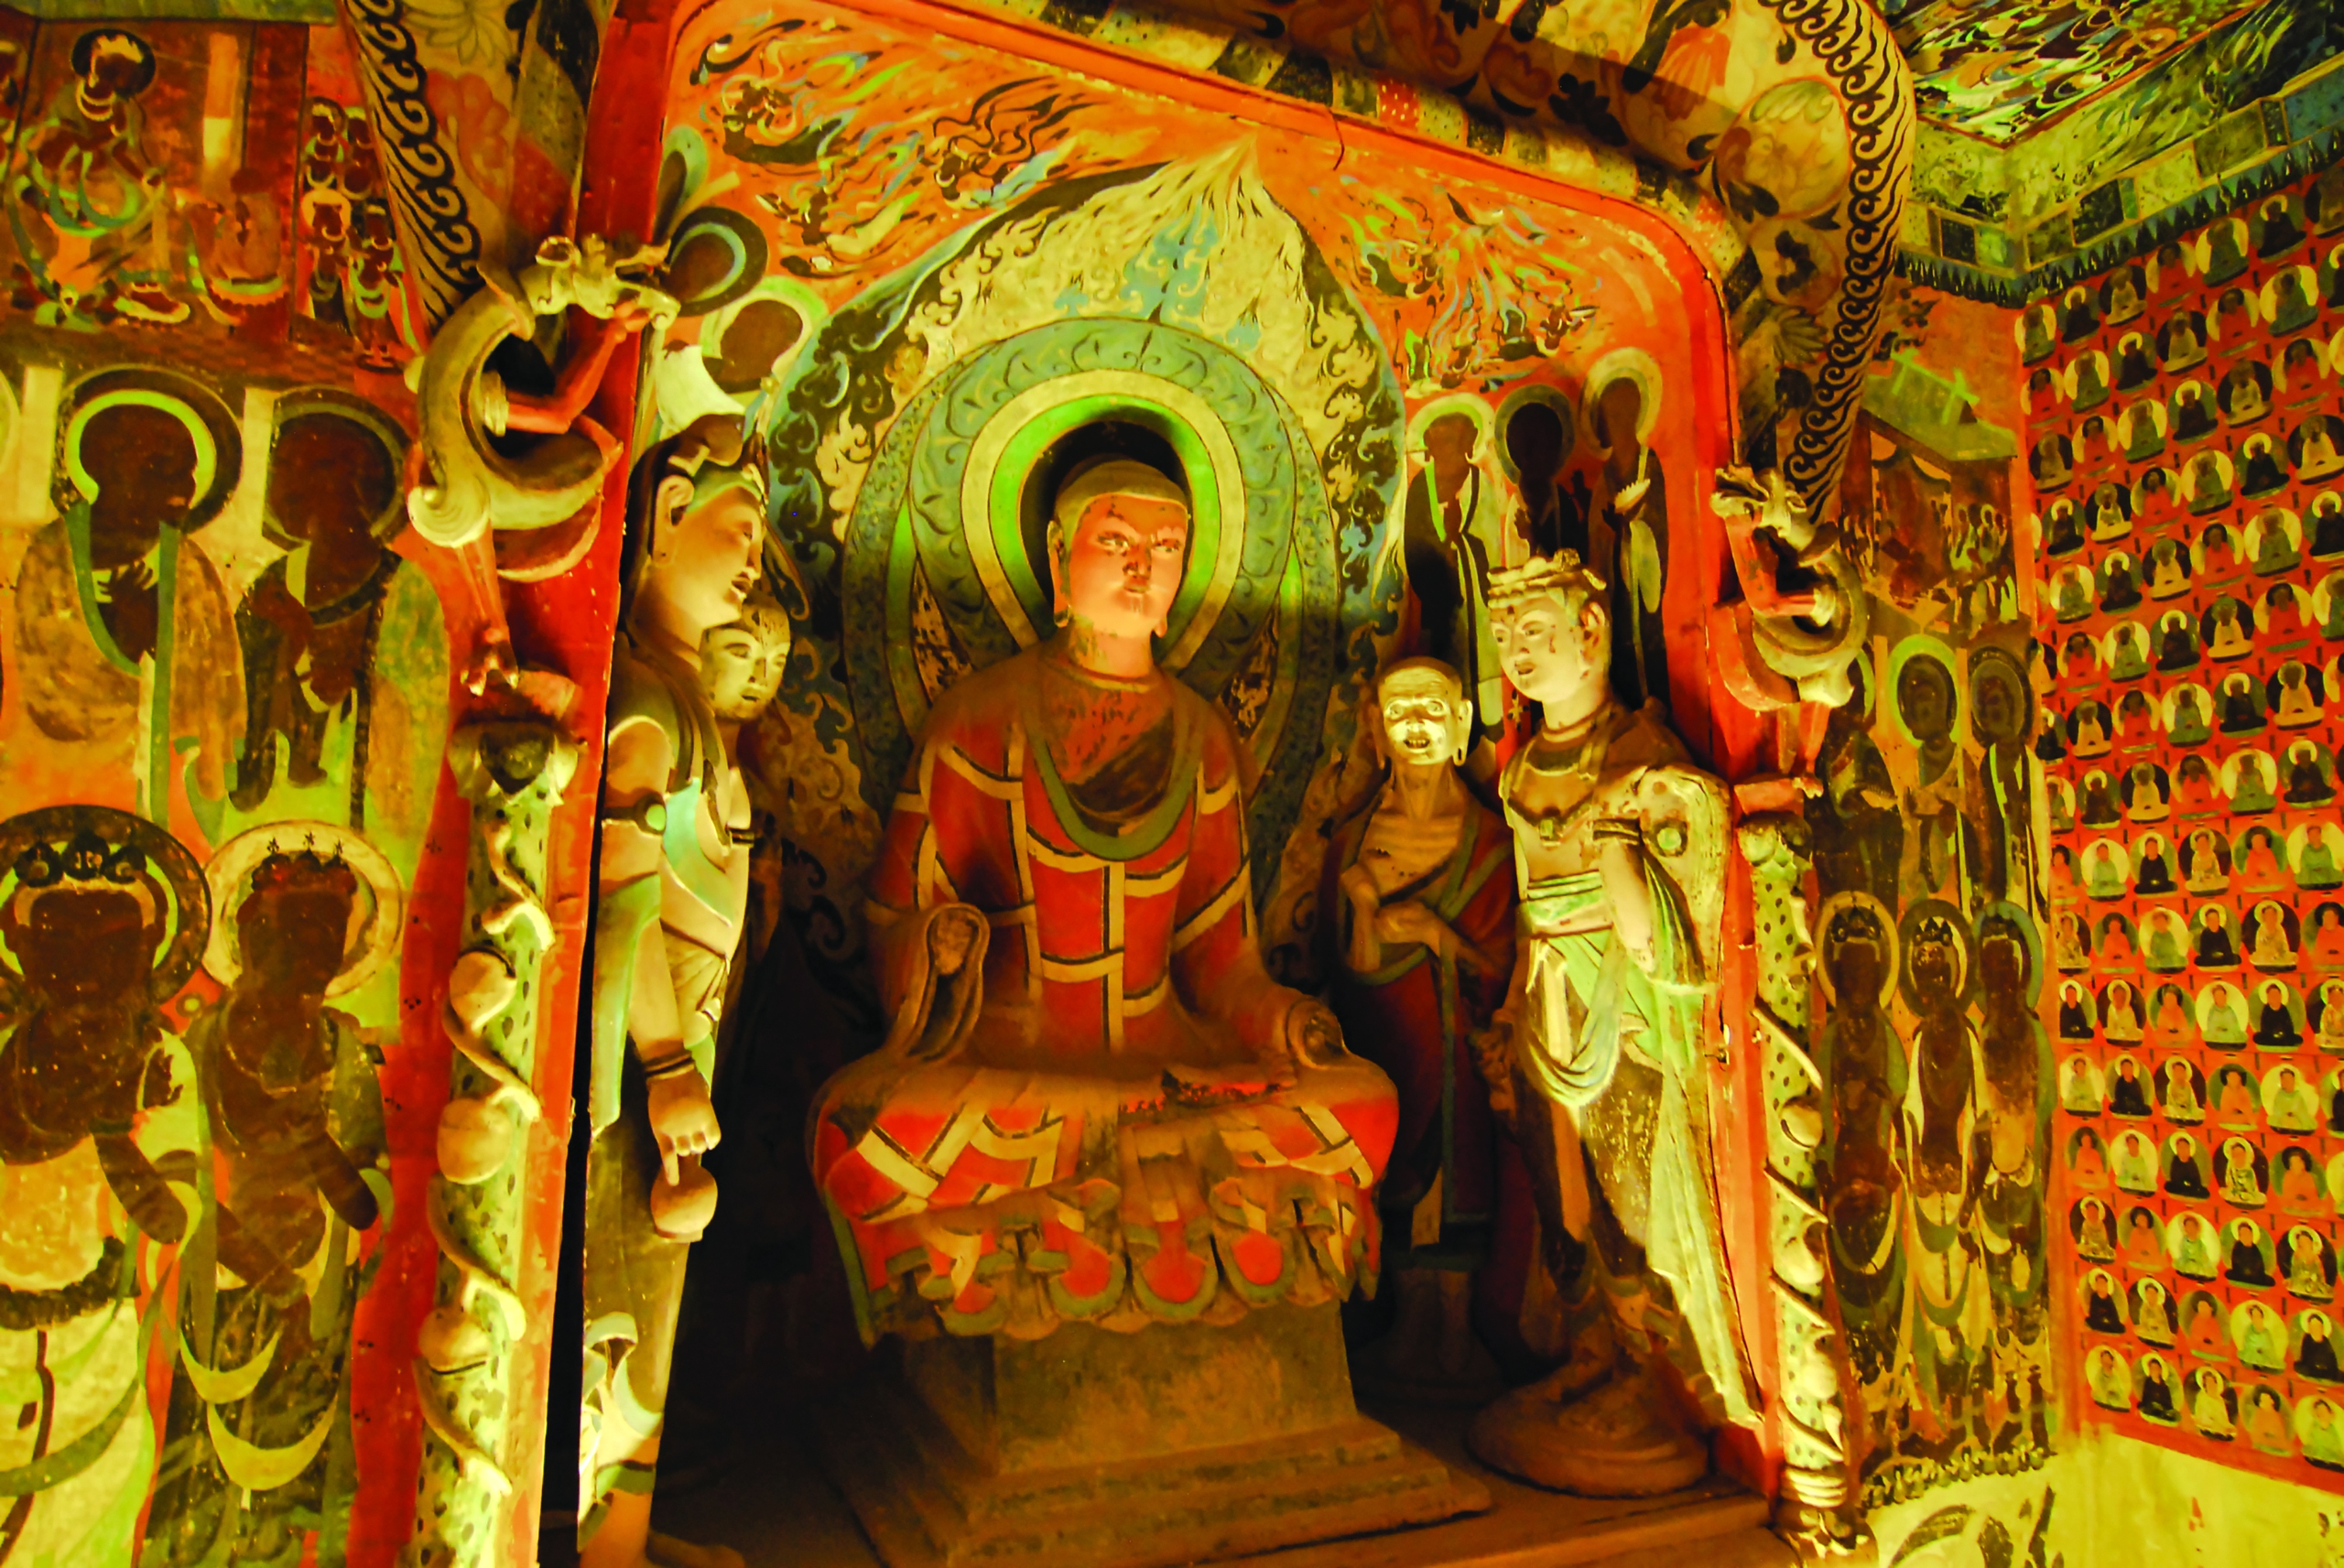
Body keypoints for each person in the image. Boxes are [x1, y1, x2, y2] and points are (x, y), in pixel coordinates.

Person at [1466, 552, 1755, 1493]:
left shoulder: (1634, 753)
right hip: (1546, 998)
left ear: (1589, 633)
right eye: (1503, 636)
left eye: (1533, 632)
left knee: (1631, 1198)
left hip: (1617, 1004)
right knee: (1562, 1196)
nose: (1516, 652)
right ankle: (1592, 1350)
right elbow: (1526, 901)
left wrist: (1615, 831)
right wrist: (1514, 1000)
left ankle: (1651, 1373)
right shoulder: (1520, 770)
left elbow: (1657, 923)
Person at [581, 418, 768, 1568]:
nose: (753, 559)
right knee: (626, 1305)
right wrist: (659, 1062)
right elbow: (623, 897)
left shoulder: (685, 700)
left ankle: (628, 1537)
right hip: (633, 1060)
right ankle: (599, 1545)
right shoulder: (646, 703)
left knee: (660, 1294)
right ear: (663, 521)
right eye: (738, 528)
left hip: (678, 1044)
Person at [1324, 658, 1517, 1391]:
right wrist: (1365, 912)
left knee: (1458, 1172)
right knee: (1398, 1171)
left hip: (1457, 1047)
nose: (1415, 724)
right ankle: (1407, 1325)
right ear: (1376, 727)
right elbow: (1344, 965)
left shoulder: (1489, 841)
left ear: (1461, 723)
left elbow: (1504, 965)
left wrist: (1438, 937)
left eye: (1432, 708)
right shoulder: (1354, 842)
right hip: (1386, 1042)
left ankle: (1458, 1331)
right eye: (1399, 709)